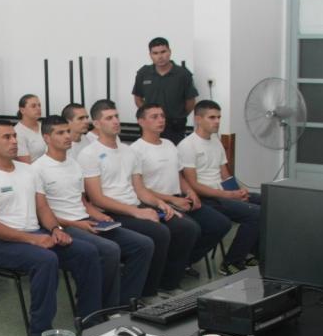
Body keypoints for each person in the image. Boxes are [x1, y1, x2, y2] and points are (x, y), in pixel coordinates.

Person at [0, 120, 102, 336]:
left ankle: (90, 320)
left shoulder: (28, 171)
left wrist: (55, 229)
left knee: (86, 252)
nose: (13, 141)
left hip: (34, 235)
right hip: (0, 243)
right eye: (6, 137)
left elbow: (42, 207)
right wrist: (33, 240)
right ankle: (39, 332)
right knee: (46, 260)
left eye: (14, 136)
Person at [79, 100, 198, 297]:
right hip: (110, 212)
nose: (116, 121)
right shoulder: (89, 154)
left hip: (134, 205)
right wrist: (137, 212)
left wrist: (161, 204)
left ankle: (166, 284)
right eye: (109, 118)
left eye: (116, 116)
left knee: (186, 227)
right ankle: (145, 293)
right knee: (159, 233)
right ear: (97, 124)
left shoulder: (128, 151)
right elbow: (97, 199)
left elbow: (140, 189)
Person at [33, 116, 153, 308]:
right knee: (109, 250)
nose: (67, 136)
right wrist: (77, 224)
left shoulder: (73, 164)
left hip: (86, 219)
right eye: (60, 133)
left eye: (67, 131)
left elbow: (82, 201)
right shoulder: (37, 168)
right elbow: (42, 212)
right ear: (47, 138)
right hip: (62, 226)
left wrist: (99, 215)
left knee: (143, 244)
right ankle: (102, 308)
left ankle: (125, 301)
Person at [129, 103, 228, 278]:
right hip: (154, 202)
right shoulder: (135, 150)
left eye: (162, 116)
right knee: (190, 229)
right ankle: (169, 276)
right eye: (154, 117)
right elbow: (140, 188)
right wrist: (172, 200)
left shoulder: (169, 144)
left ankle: (183, 262)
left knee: (219, 224)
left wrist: (191, 192)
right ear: (141, 122)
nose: (161, 120)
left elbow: (179, 175)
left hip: (179, 198)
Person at [178, 100, 264, 273]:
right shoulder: (187, 145)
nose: (217, 121)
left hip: (223, 194)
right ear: (198, 119)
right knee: (255, 213)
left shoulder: (216, 142)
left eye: (218, 117)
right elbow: (194, 185)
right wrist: (229, 196)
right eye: (212, 117)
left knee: (267, 201)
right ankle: (231, 263)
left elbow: (224, 173)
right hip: (207, 197)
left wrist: (237, 191)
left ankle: (250, 253)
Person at [132, 38, 199, 143]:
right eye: (155, 53)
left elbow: (190, 102)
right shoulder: (143, 73)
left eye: (163, 52)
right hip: (150, 126)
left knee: (174, 156)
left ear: (169, 52)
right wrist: (149, 115)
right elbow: (138, 98)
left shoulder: (183, 74)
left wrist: (179, 116)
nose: (160, 56)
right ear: (150, 55)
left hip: (174, 127)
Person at [13, 94, 47, 163]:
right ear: (22, 110)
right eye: (33, 106)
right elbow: (26, 163)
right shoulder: (17, 132)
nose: (38, 108)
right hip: (33, 171)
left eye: (39, 105)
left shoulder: (44, 126)